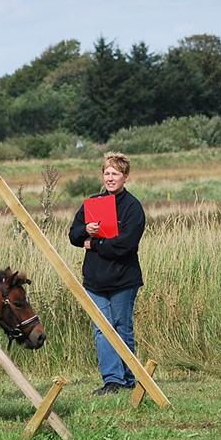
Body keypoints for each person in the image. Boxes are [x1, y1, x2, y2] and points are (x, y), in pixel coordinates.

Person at [68, 152, 145, 396]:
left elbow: (126, 245)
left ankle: (129, 377)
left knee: (122, 327)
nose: (110, 178)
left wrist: (96, 244)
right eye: (107, 173)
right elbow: (73, 235)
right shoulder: (92, 203)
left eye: (115, 174)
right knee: (102, 329)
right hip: (94, 280)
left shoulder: (133, 207)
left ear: (125, 177)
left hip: (123, 279)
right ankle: (112, 380)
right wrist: (85, 230)